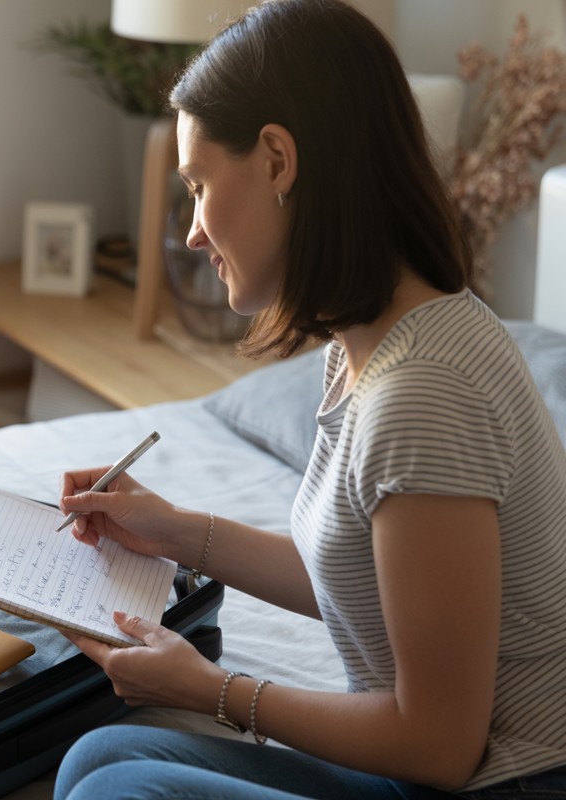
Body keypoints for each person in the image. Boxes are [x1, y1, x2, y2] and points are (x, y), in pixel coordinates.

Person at [52, 1, 566, 798]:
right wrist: (170, 531)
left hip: (506, 780)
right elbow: (365, 574)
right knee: (96, 759)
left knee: (110, 791)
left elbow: (440, 745)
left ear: (277, 161)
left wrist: (208, 690)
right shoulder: (373, 341)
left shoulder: (423, 395)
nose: (191, 231)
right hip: (446, 769)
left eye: (198, 186)